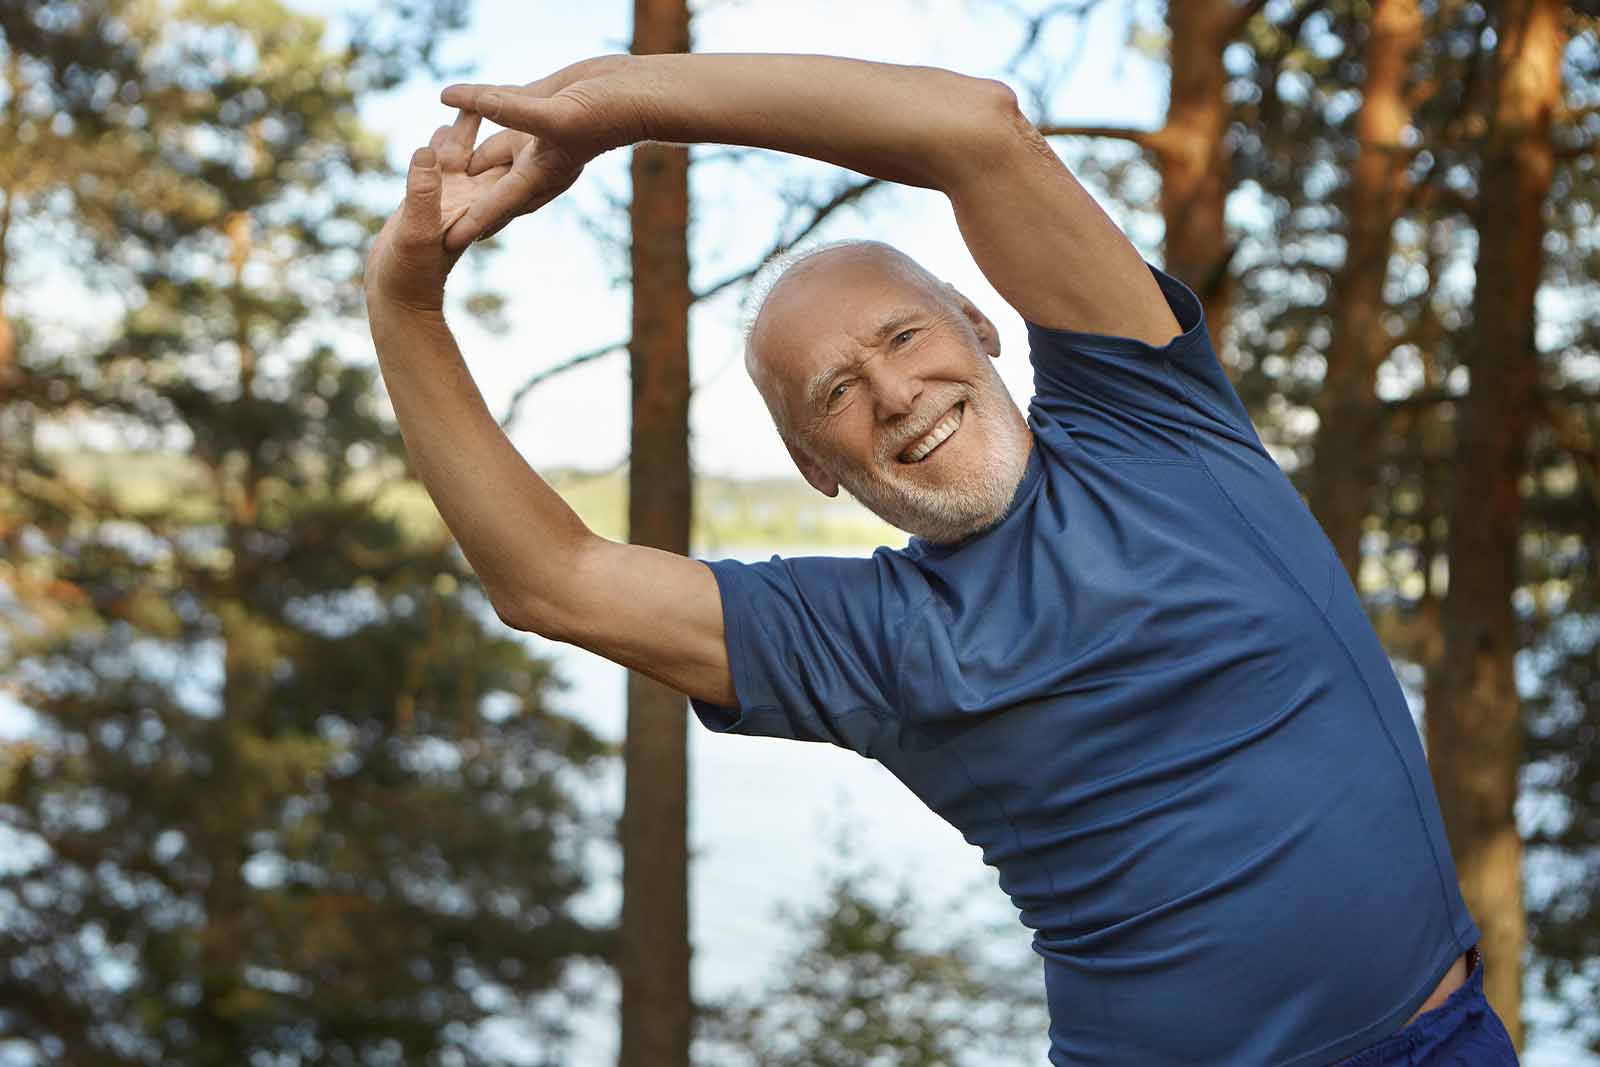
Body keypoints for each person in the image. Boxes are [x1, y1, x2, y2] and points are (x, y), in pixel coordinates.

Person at [363, 52, 1519, 1067]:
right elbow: (550, 578)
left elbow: (972, 129)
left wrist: (620, 99)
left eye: (904, 335)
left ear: (979, 320)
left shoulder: (1153, 422)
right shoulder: (861, 640)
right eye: (835, 393)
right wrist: (402, 300)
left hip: (1441, 1040)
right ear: (813, 463)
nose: (895, 393)